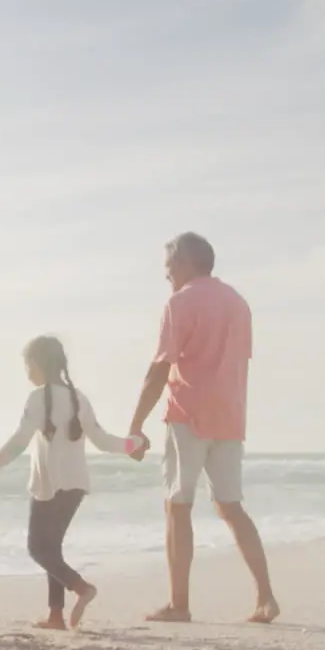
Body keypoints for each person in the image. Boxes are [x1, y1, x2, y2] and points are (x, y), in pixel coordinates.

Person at [126, 232, 280, 624]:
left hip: (188, 414)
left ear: (185, 263)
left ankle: (179, 604)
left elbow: (160, 367)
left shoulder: (180, 302)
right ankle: (265, 597)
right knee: (231, 505)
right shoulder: (238, 303)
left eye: (168, 266)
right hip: (230, 416)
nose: (166, 274)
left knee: (177, 505)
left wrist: (136, 423)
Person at [0, 336, 138, 630]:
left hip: (49, 485)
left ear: (38, 364)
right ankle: (55, 615)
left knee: (38, 549)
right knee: (51, 548)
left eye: (27, 365)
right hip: (76, 484)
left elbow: (18, 441)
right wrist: (133, 445)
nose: (27, 372)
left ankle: (80, 587)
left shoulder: (37, 398)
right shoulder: (79, 398)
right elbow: (103, 440)